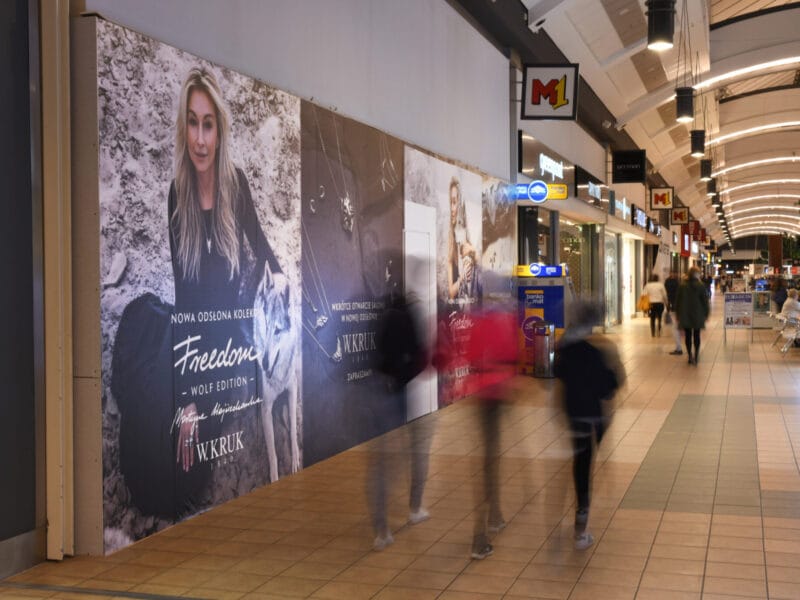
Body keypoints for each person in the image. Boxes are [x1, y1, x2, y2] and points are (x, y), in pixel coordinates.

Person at [554, 300, 623, 551]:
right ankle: (580, 526)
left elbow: (557, 371)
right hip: (594, 416)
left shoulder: (566, 346)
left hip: (573, 414)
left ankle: (578, 519)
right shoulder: (600, 348)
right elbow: (612, 384)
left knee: (580, 464)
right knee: (586, 465)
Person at [370, 292, 430, 550]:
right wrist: (405, 376)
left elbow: (379, 351)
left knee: (382, 465)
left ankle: (382, 531)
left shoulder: (383, 317)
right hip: (402, 395)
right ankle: (414, 508)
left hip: (381, 393)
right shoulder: (410, 317)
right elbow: (420, 358)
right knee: (416, 453)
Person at [465, 303, 518, 560]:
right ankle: (480, 534)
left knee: (489, 458)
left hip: (480, 394)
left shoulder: (479, 324)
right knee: (490, 461)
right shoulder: (505, 323)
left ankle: (495, 514)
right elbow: (511, 358)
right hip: (496, 396)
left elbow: (471, 357)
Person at [447, 177, 479, 302]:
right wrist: (462, 278)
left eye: (455, 202)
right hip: (459, 313)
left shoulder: (470, 237)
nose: (452, 208)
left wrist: (473, 251)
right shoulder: (451, 244)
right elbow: (451, 293)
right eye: (450, 202)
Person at [675, 266, 710, 365]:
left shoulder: (682, 285)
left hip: (685, 314)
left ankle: (690, 355)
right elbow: (705, 302)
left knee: (688, 335)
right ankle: (696, 355)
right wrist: (706, 314)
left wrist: (678, 314)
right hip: (697, 314)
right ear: (697, 274)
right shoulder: (701, 286)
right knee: (697, 335)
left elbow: (678, 301)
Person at [664, 271, 683, 355]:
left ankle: (679, 349)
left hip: (677, 306)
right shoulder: (674, 282)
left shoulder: (677, 282)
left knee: (676, 329)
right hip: (676, 305)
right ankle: (680, 348)